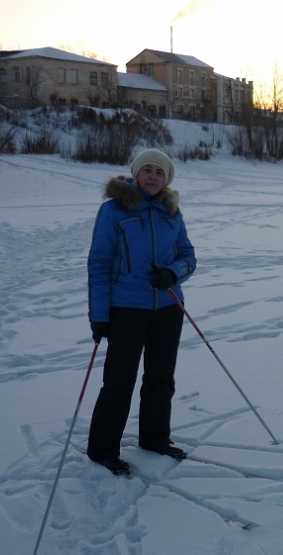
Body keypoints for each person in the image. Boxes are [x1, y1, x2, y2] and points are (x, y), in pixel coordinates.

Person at [86, 148, 196, 475]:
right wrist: (99, 314)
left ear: (166, 179)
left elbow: (188, 256)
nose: (152, 176)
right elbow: (99, 263)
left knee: (161, 378)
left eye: (159, 172)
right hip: (126, 308)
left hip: (168, 308)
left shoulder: (171, 213)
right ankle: (103, 449)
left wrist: (173, 273)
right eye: (147, 170)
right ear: (135, 173)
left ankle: (155, 438)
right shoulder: (114, 211)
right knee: (119, 381)